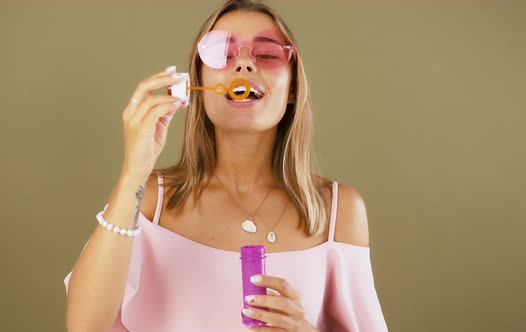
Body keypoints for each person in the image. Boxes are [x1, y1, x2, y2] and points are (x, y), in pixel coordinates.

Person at [63, 0, 388, 331]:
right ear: (198, 88)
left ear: (292, 88)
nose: (245, 64)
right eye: (222, 53)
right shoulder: (149, 202)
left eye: (266, 54)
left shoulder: (338, 211)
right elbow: (85, 326)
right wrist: (134, 170)